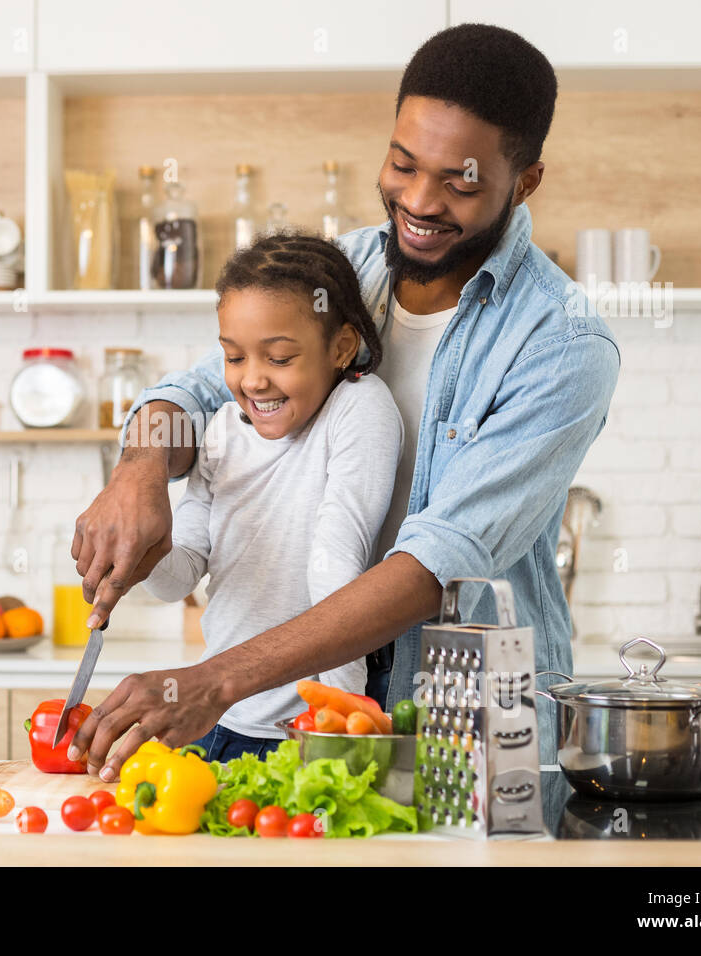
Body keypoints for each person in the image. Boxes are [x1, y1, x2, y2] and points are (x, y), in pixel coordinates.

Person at [70, 23, 621, 780]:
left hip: (467, 721)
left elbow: (440, 562)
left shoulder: (563, 343)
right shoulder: (345, 268)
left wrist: (218, 678)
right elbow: (191, 394)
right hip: (292, 709)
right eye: (403, 164)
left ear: (524, 182)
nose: (419, 201)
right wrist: (136, 471)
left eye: (460, 181)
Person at [141, 232, 403, 763]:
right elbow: (181, 576)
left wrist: (347, 718)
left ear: (341, 347)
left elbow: (337, 562)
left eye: (279, 358)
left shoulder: (359, 408)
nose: (253, 380)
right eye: (234, 357)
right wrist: (143, 552)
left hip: (311, 730)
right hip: (217, 720)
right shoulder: (220, 430)